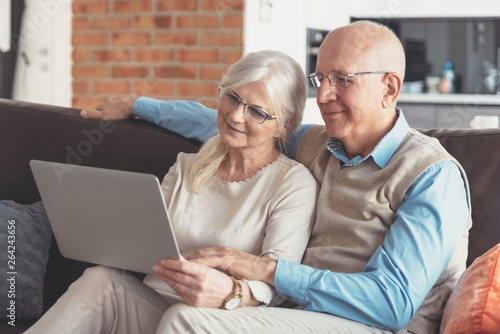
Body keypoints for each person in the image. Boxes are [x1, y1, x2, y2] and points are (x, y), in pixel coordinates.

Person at [80, 21, 471, 333]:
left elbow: (391, 304)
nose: (323, 96)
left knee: (188, 320)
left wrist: (266, 270)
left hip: (371, 325)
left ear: (389, 87)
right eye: (320, 79)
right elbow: (232, 122)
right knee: (108, 285)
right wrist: (138, 104)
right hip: (293, 314)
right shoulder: (319, 143)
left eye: (342, 80)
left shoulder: (432, 176)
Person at [25, 50, 319, 333]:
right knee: (101, 279)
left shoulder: (293, 184)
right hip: (153, 305)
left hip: (222, 318)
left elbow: (279, 280)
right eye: (232, 98)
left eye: (256, 111)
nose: (236, 116)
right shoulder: (187, 166)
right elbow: (147, 242)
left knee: (183, 315)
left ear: (283, 125)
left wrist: (232, 292)